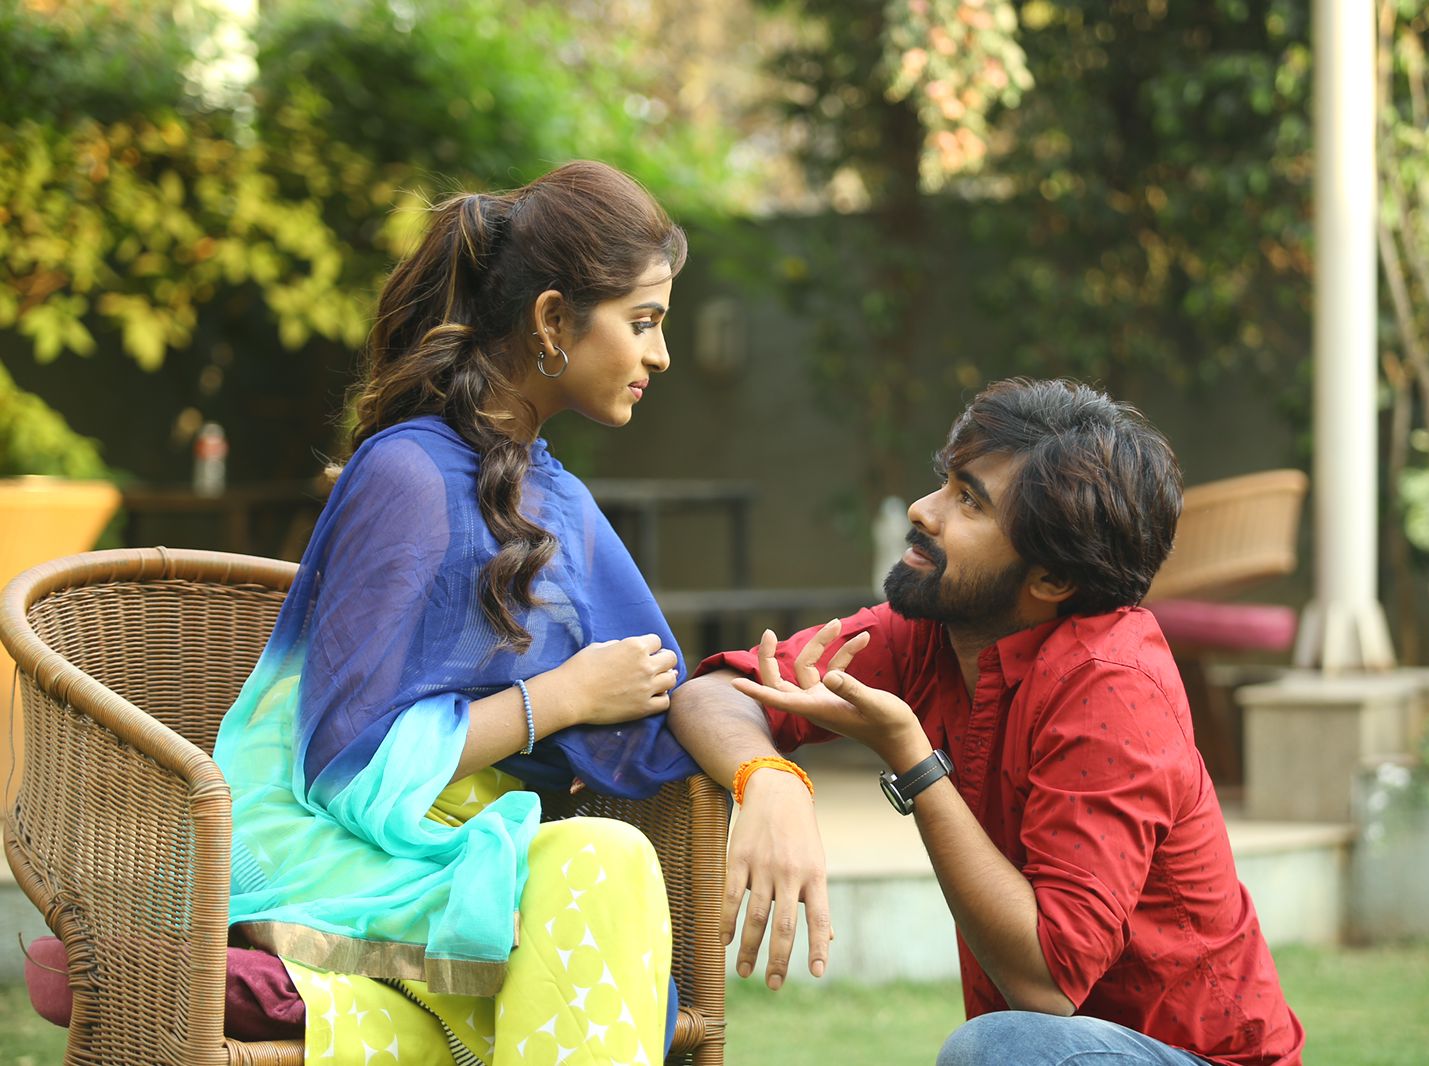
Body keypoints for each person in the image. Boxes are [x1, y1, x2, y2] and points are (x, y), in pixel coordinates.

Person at [213, 160, 697, 1065]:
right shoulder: (408, 475)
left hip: (471, 848)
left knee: (597, 869)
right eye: (642, 322)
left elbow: (660, 692)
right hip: (341, 853)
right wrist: (560, 700)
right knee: (601, 863)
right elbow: (346, 767)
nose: (661, 354)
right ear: (552, 320)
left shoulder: (559, 500)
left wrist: (769, 774)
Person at [668, 378, 1306, 1065]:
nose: (924, 510)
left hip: (1201, 1057)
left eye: (969, 501)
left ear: (1052, 580)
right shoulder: (932, 633)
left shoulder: (1112, 687)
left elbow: (1046, 982)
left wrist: (914, 762)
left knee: (998, 1049)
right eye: (945, 482)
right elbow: (712, 693)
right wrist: (769, 779)